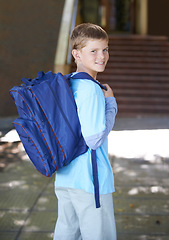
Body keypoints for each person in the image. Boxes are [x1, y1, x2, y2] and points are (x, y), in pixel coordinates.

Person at [53, 23, 117, 240]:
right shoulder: (91, 90)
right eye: (94, 51)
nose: (102, 56)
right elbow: (94, 138)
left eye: (105, 49)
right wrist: (111, 105)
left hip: (66, 177)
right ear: (76, 54)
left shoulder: (68, 83)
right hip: (91, 181)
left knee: (66, 233)